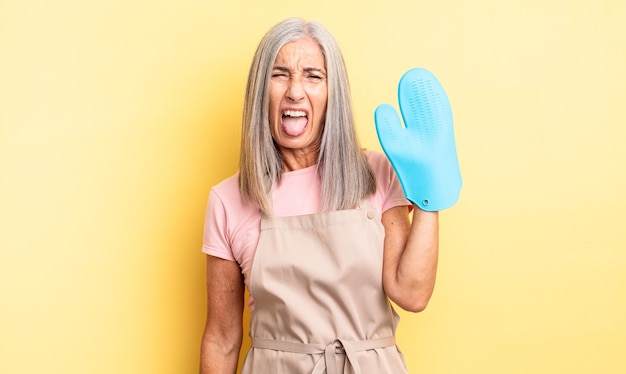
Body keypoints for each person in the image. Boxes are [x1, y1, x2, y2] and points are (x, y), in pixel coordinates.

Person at [200, 17, 439, 374]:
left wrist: (429, 194)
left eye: (313, 76)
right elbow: (222, 338)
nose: (295, 90)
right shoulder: (228, 200)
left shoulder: (376, 174)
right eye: (279, 74)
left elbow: (412, 294)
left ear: (333, 94)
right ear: (259, 91)